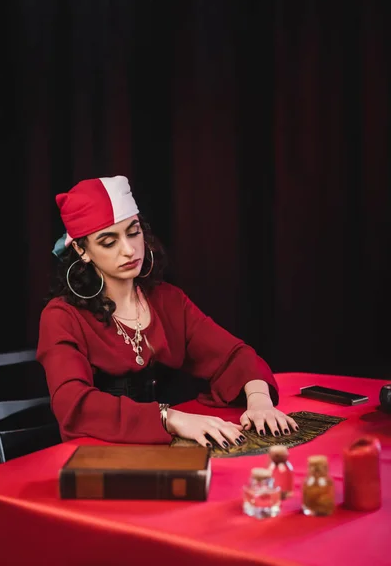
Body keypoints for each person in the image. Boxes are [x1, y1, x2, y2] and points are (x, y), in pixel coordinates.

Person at [36, 175, 299, 448]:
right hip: (100, 460)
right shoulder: (61, 317)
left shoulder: (167, 301)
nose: (128, 250)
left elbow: (234, 356)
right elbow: (73, 404)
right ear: (81, 249)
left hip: (166, 452)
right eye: (108, 241)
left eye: (133, 231)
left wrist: (260, 403)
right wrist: (171, 418)